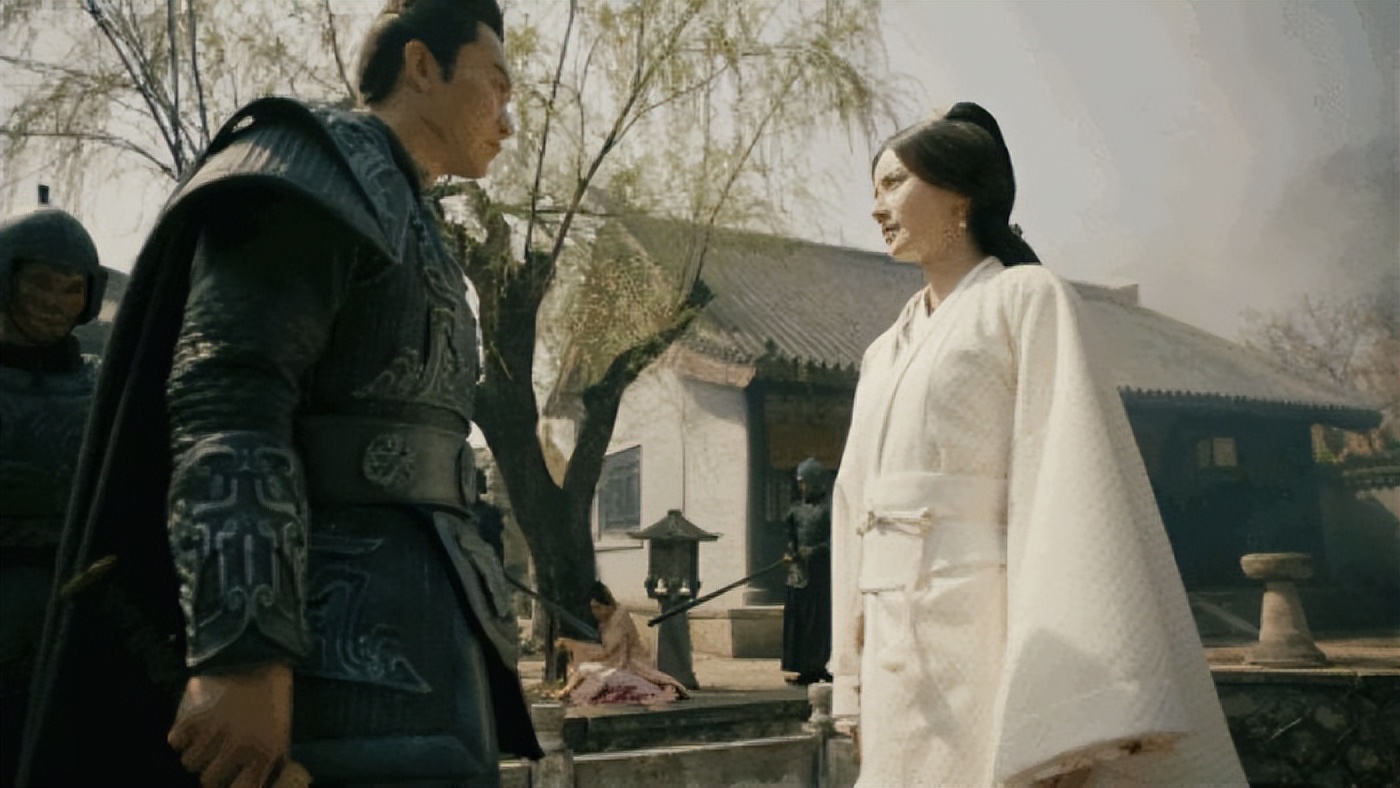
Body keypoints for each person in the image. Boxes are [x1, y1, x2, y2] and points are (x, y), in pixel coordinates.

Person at [18, 1, 542, 786]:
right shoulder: (311, 168)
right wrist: (243, 646)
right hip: (324, 637)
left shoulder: (410, 212)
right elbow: (229, 397)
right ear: (421, 66)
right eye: (494, 84)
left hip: (423, 617)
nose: (506, 118)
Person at [828, 103, 1247, 787]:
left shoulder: (1026, 298)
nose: (877, 207)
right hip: (888, 632)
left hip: (983, 626)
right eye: (873, 189)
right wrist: (849, 671)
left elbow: (1067, 484)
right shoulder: (883, 351)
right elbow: (853, 507)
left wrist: (1062, 708)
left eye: (895, 183)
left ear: (961, 194)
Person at [0, 205, 106, 786]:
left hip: (77, 612)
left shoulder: (102, 387)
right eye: (40, 283)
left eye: (71, 289)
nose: (54, 302)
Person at [554, 581, 689, 706]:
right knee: (583, 669)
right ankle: (566, 689)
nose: (595, 612)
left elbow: (610, 651)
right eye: (593, 608)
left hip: (629, 663)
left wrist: (574, 645)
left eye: (598, 607)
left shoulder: (619, 618)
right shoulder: (606, 621)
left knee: (585, 669)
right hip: (613, 662)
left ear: (608, 605)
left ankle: (566, 690)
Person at [780, 457, 832, 686]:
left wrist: (815, 551)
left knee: (818, 621)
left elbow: (835, 540)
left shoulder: (829, 509)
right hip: (799, 573)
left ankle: (819, 665)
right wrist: (791, 552)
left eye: (805, 482)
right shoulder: (796, 511)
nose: (802, 487)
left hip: (820, 575)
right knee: (798, 621)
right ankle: (801, 666)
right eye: (800, 483)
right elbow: (791, 537)